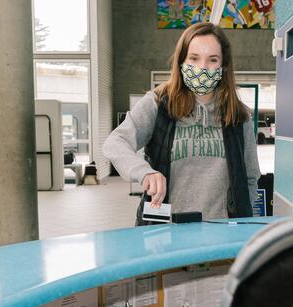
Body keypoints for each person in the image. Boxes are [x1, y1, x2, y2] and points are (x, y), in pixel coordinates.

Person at [103, 22, 260, 225]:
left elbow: (250, 177)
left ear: (223, 67)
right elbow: (114, 143)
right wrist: (145, 173)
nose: (202, 67)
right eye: (194, 58)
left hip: (222, 235)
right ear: (181, 61)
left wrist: (243, 223)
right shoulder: (158, 104)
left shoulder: (239, 116)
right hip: (165, 232)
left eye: (212, 60)